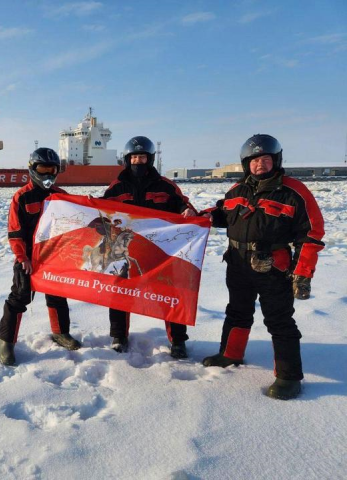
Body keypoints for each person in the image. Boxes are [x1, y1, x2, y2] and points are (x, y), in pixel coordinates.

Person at [202, 134, 324, 400]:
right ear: (247, 164)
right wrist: (198, 216)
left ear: (276, 161)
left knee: (279, 321)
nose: (260, 165)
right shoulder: (237, 190)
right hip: (237, 264)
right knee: (237, 311)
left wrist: (303, 273)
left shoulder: (294, 192)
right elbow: (221, 213)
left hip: (273, 268)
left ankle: (288, 376)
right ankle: (230, 354)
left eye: (265, 159)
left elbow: (312, 234)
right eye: (255, 160)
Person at [101, 136, 196, 358]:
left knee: (171, 294)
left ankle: (178, 341)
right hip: (127, 250)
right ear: (127, 159)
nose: (138, 161)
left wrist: (187, 210)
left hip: (159, 252)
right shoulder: (116, 187)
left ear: (150, 159)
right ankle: (119, 336)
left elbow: (184, 203)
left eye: (142, 157)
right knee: (120, 292)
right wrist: (88, 204)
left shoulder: (165, 185)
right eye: (134, 157)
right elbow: (102, 209)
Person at [0, 148, 82, 366]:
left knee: (57, 296)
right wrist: (22, 257)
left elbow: (77, 219)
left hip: (54, 258)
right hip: (28, 259)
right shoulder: (21, 197)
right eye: (42, 169)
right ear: (32, 169)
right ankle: (5, 342)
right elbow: (15, 232)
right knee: (19, 298)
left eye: (51, 169)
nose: (46, 174)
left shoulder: (61, 195)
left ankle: (61, 333)